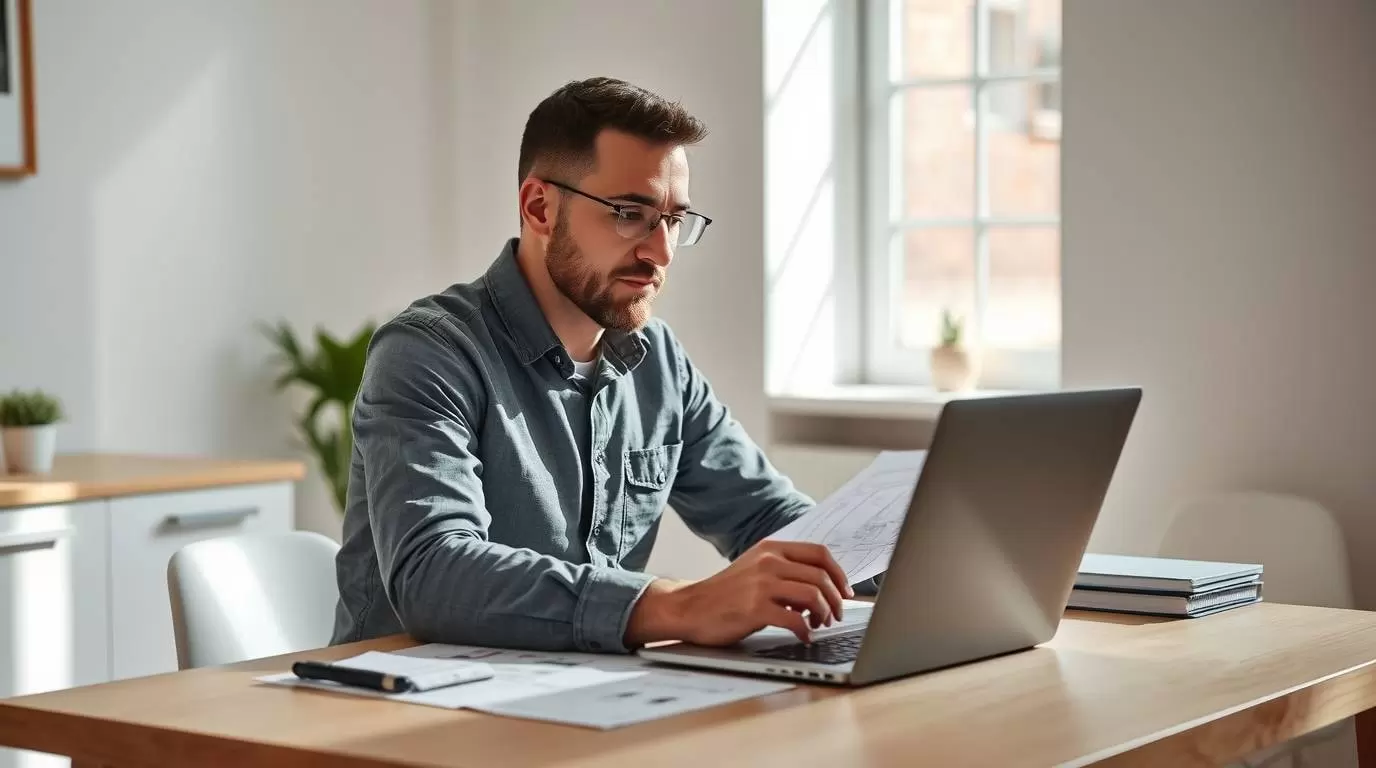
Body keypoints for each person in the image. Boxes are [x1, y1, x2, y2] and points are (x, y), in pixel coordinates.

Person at [331, 76, 856, 654]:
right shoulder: (427, 353)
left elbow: (769, 519)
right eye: (630, 213)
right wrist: (680, 605)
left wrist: (910, 567)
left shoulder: (660, 365)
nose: (659, 252)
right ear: (539, 208)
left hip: (581, 700)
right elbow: (433, 571)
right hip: (402, 710)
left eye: (675, 220)